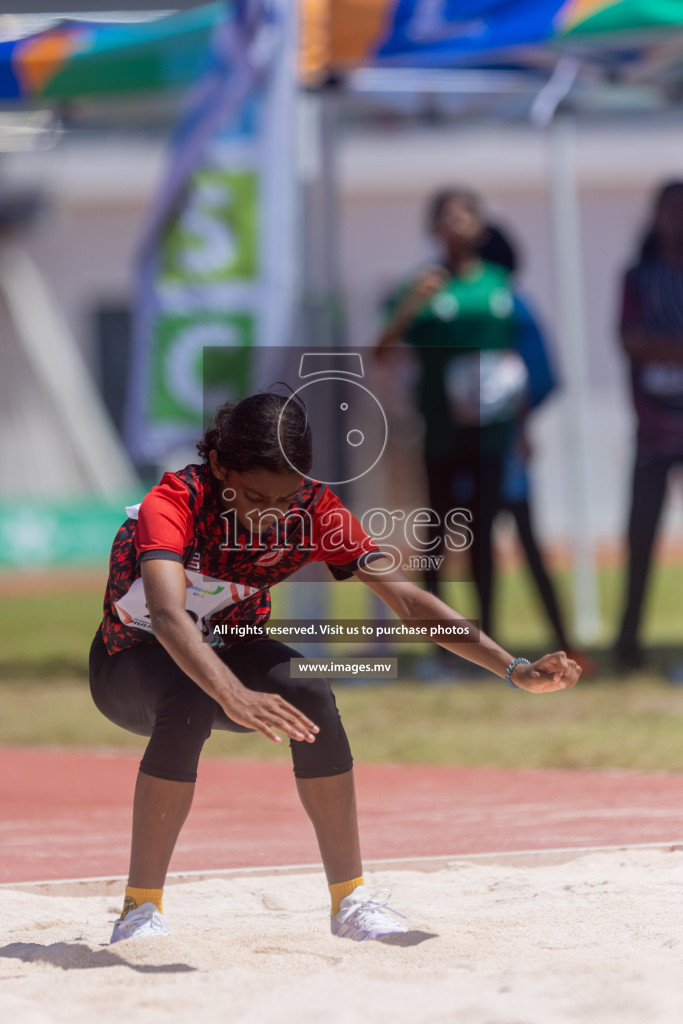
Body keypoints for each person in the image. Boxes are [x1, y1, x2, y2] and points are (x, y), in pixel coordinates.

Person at [89, 390, 581, 944]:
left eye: (286, 497)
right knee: (189, 699)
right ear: (222, 468)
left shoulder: (315, 512)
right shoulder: (175, 500)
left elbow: (409, 602)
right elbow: (166, 614)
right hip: (131, 661)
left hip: (229, 647)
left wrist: (513, 667)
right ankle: (139, 910)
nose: (271, 515)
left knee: (311, 693)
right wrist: (232, 694)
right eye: (255, 497)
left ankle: (351, 902)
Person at [376, 189, 529, 637]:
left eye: (465, 215)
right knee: (438, 534)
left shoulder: (498, 283)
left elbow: (512, 358)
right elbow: (382, 349)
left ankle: (487, 636)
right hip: (442, 430)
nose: (456, 224)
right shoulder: (423, 285)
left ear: (480, 226)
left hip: (492, 432)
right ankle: (441, 645)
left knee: (484, 533)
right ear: (433, 229)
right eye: (446, 217)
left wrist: (521, 425)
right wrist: (409, 307)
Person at [614, 181, 683, 672]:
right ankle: (628, 641)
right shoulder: (638, 278)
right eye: (671, 212)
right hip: (654, 430)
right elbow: (630, 340)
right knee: (640, 536)